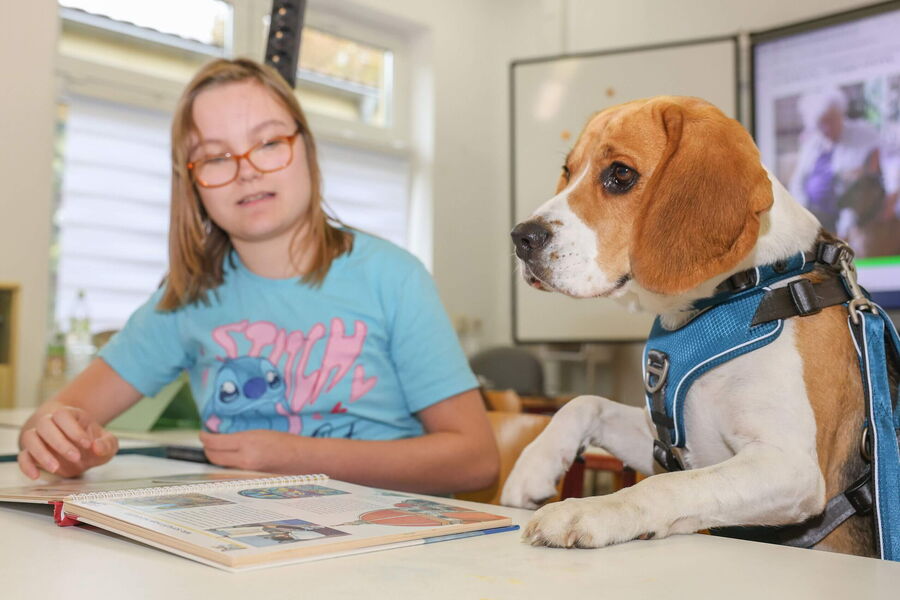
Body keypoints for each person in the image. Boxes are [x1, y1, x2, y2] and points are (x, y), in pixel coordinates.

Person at [18, 58, 499, 495]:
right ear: (193, 183)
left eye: (268, 143)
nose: (246, 170)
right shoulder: (188, 297)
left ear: (306, 149)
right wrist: (60, 440)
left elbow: (475, 461)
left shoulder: (393, 278)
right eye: (216, 157)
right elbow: (53, 418)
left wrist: (298, 457)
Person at [788, 87, 881, 237]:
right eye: (821, 123)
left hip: (847, 214)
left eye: (830, 120)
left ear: (840, 114)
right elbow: (798, 181)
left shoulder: (862, 133)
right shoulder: (812, 142)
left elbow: (884, 157)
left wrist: (867, 170)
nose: (826, 128)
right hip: (814, 215)